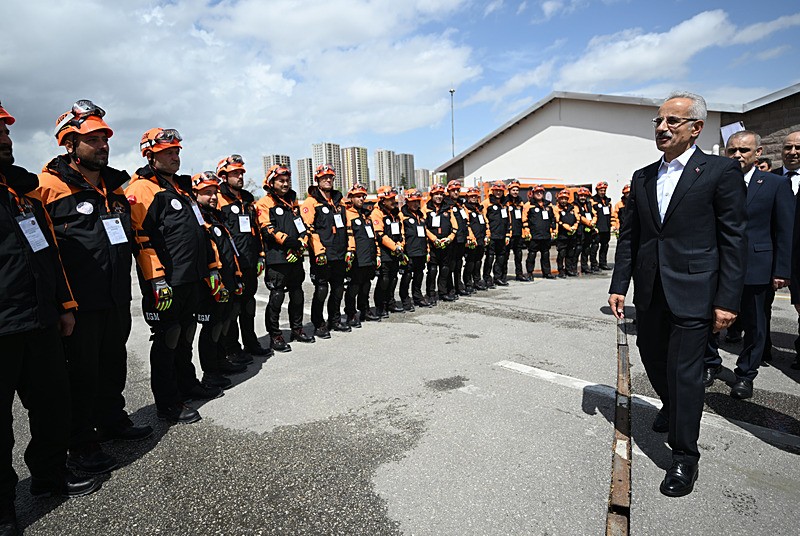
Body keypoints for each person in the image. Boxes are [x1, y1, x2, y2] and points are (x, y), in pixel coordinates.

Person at [609, 91, 746, 497]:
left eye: (672, 121)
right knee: (652, 356)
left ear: (696, 128)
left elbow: (733, 239)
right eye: (658, 121)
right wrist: (619, 285)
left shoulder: (719, 171)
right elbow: (631, 237)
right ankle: (670, 405)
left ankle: (685, 456)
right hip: (651, 290)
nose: (662, 127)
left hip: (695, 291)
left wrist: (727, 300)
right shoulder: (643, 176)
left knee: (685, 373)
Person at [37, 100, 152, 477]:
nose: (103, 145)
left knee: (113, 362)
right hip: (79, 302)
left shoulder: (114, 188)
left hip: (116, 296)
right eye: (93, 139)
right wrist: (61, 303)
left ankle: (112, 419)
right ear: (70, 144)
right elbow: (44, 251)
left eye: (105, 138)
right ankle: (82, 443)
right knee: (81, 374)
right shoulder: (46, 187)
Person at [2, 101, 99, 535]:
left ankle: (49, 476)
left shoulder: (24, 193)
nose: (6, 138)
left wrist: (64, 305)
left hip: (40, 320)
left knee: (52, 405)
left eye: (6, 131)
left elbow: (50, 255)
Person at [126, 128, 224, 425]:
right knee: (167, 338)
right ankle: (167, 403)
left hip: (191, 278)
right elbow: (140, 239)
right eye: (167, 152)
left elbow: (202, 232)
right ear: (149, 155)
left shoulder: (181, 188)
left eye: (176, 151)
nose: (174, 157)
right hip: (166, 281)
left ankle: (187, 384)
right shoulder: (142, 188)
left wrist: (212, 268)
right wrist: (157, 279)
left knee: (185, 334)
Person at [703, 131, 792, 398]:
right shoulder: (713, 182)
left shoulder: (775, 184)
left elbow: (785, 230)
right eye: (732, 150)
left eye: (744, 150)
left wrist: (781, 270)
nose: (738, 155)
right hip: (717, 265)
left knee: (755, 325)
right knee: (709, 319)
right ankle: (710, 364)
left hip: (757, 266)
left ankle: (745, 374)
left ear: (758, 153)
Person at [255, 165, 315, 352]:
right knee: (277, 296)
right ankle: (275, 335)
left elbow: (302, 226)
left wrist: (302, 242)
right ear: (271, 182)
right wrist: (289, 242)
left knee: (297, 294)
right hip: (277, 258)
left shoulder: (292, 203)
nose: (285, 183)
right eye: (281, 180)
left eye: (287, 180)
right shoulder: (264, 203)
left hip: (295, 256)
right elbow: (267, 229)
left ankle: (297, 329)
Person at [215, 154, 270, 359]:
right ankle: (232, 349)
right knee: (232, 308)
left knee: (248, 306)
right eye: (235, 173)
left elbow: (256, 229)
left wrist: (261, 255)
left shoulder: (247, 199)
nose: (240, 176)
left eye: (241, 173)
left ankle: (251, 342)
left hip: (249, 262)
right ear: (224, 175)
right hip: (230, 265)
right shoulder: (218, 199)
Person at [192, 172, 242, 388]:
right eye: (207, 193)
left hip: (227, 279)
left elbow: (229, 249)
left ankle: (221, 361)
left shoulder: (215, 216)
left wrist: (236, 276)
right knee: (211, 327)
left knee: (223, 323)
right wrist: (213, 281)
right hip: (211, 284)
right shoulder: (196, 219)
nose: (213, 197)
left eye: (214, 192)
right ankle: (210, 373)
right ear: (195, 194)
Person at [301, 164, 349, 338]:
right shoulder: (311, 202)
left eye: (330, 177)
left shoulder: (339, 201)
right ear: (317, 180)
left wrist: (349, 249)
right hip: (322, 254)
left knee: (338, 289)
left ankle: (334, 320)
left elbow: (347, 226)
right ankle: (319, 323)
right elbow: (308, 228)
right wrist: (319, 250)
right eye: (324, 177)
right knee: (321, 290)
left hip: (339, 253)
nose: (328, 180)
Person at [768, 131, 800, 368]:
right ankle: (761, 348)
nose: (792, 152)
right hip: (774, 255)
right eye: (788, 147)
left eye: (798, 148)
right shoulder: (770, 179)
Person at [344, 183, 381, 326]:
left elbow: (373, 236)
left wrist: (377, 254)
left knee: (366, 285)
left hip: (369, 257)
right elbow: (347, 235)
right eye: (358, 196)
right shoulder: (347, 214)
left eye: (362, 196)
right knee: (353, 286)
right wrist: (349, 252)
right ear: (351, 198)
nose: (361, 199)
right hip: (357, 257)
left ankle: (365, 310)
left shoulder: (366, 215)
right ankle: (351, 313)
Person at [371, 185, 405, 316]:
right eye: (389, 199)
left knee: (393, 278)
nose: (393, 201)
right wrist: (394, 247)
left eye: (393, 198)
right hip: (385, 251)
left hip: (396, 251)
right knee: (384, 279)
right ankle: (380, 306)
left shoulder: (396, 214)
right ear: (382, 200)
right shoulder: (377, 213)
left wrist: (400, 245)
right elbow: (379, 234)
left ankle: (390, 302)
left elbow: (401, 232)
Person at [425, 183, 457, 303]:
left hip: (446, 244)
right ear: (431, 195)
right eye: (436, 194)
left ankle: (442, 292)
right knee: (432, 270)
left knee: (445, 269)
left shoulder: (448, 209)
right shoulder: (426, 209)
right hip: (433, 245)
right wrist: (434, 239)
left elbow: (455, 226)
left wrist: (449, 238)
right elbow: (423, 227)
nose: (439, 196)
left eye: (441, 194)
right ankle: (430, 293)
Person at [399, 188, 431, 307]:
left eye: (417, 201)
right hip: (409, 252)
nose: (415, 204)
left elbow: (425, 234)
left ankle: (417, 297)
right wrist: (402, 251)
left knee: (419, 275)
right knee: (407, 275)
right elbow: (401, 234)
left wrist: (427, 250)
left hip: (421, 251)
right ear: (407, 202)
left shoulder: (421, 216)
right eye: (413, 201)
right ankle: (405, 298)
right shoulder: (402, 216)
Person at [523, 185, 555, 279]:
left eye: (541, 192)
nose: (539, 194)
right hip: (534, 235)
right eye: (537, 192)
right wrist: (527, 231)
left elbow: (553, 219)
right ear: (533, 194)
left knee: (545, 254)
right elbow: (524, 219)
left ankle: (547, 273)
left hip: (546, 235)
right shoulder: (528, 205)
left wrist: (553, 231)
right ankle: (529, 273)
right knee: (532, 254)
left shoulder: (548, 205)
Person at [482, 181, 511, 288]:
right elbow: (484, 219)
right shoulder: (486, 203)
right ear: (493, 191)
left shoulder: (505, 204)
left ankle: (497, 277)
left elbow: (508, 220)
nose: (498, 193)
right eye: (496, 190)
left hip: (502, 235)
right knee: (489, 257)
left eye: (500, 191)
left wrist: (508, 233)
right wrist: (487, 234)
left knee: (501, 257)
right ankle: (487, 278)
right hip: (492, 235)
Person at [463, 187, 487, 291]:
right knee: (470, 262)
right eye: (471, 196)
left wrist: (487, 235)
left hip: (481, 239)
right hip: (472, 240)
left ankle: (477, 281)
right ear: (467, 197)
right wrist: (470, 237)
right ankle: (468, 283)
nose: (473, 198)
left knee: (478, 261)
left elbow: (485, 222)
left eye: (475, 196)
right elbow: (466, 224)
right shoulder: (465, 209)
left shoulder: (479, 209)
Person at [505, 180, 529, 281]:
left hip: (518, 233)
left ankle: (519, 274)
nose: (515, 192)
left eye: (517, 190)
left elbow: (523, 217)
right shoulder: (505, 201)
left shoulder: (520, 201)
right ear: (509, 190)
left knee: (518, 255)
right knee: (505, 256)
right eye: (513, 190)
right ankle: (503, 276)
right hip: (508, 233)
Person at [553, 189, 579, 278]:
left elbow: (577, 219)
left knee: (570, 253)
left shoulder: (573, 208)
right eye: (562, 199)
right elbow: (557, 220)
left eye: (565, 199)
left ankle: (569, 269)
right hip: (562, 235)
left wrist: (575, 226)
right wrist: (567, 227)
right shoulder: (556, 208)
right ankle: (561, 270)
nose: (563, 201)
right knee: (562, 253)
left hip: (572, 234)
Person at [590, 181, 613, 270]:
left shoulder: (608, 201)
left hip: (606, 228)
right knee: (595, 246)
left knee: (605, 246)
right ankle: (593, 264)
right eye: (601, 190)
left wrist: (612, 225)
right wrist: (593, 226)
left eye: (604, 190)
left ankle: (603, 263)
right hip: (597, 228)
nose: (603, 192)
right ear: (597, 190)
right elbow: (592, 214)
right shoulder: (593, 201)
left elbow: (611, 214)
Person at [574, 187, 597, 274]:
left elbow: (595, 214)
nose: (582, 197)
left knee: (586, 249)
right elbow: (578, 216)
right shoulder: (575, 205)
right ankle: (573, 267)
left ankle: (584, 266)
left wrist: (593, 222)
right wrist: (589, 223)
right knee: (578, 249)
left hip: (589, 230)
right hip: (580, 230)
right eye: (581, 196)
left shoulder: (589, 204)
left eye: (584, 196)